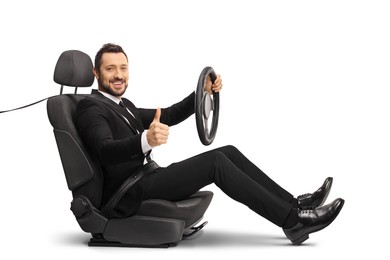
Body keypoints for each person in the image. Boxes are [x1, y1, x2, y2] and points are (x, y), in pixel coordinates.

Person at [75, 43, 344, 245]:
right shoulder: (90, 107)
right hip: (128, 192)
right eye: (110, 69)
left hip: (146, 177)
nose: (118, 75)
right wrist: (145, 140)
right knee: (215, 163)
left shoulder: (123, 105)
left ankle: (295, 205)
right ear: (96, 72)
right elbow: (104, 151)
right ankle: (294, 222)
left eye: (123, 68)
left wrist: (201, 91)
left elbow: (167, 114)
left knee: (227, 152)